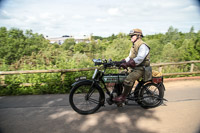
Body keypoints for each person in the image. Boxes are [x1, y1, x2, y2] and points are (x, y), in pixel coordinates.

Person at [112, 28, 150, 103]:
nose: (131, 37)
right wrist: (121, 61)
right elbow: (130, 57)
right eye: (131, 36)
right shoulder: (134, 46)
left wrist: (127, 64)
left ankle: (123, 97)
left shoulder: (143, 46)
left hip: (141, 69)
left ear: (139, 36)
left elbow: (139, 58)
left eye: (133, 35)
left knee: (128, 80)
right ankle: (117, 93)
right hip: (134, 68)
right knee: (120, 76)